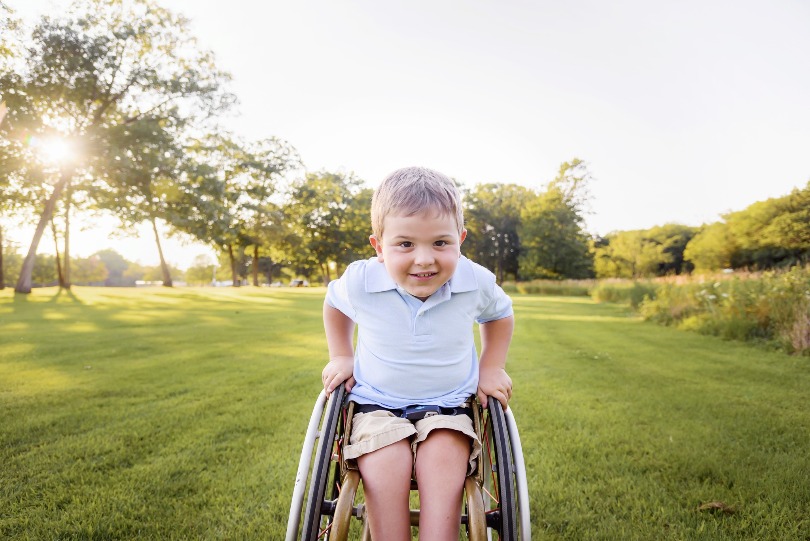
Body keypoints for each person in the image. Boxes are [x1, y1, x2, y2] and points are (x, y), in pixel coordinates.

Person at [321, 166, 514, 540]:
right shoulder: (362, 280)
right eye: (405, 244)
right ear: (379, 246)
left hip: (449, 406)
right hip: (376, 405)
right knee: (385, 461)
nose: (424, 259)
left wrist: (491, 367)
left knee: (444, 463)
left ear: (460, 239)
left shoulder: (474, 281)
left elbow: (500, 315)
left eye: (441, 243)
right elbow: (335, 305)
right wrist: (341, 355)